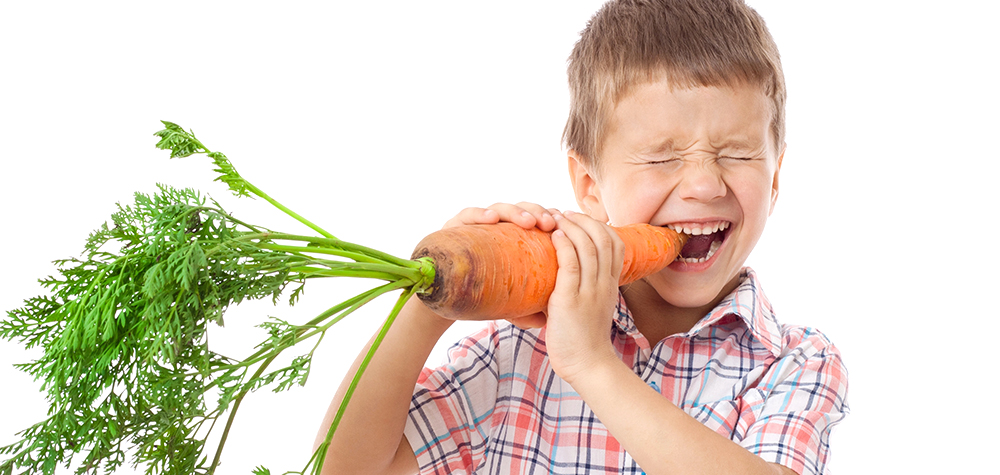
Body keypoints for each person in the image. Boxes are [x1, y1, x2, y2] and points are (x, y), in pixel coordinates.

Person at [315, 0, 849, 473]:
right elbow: (345, 470)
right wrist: (433, 302)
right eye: (662, 158)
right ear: (590, 186)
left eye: (736, 153)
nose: (705, 185)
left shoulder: (797, 361)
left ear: (775, 179)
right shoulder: (516, 350)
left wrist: (592, 364)